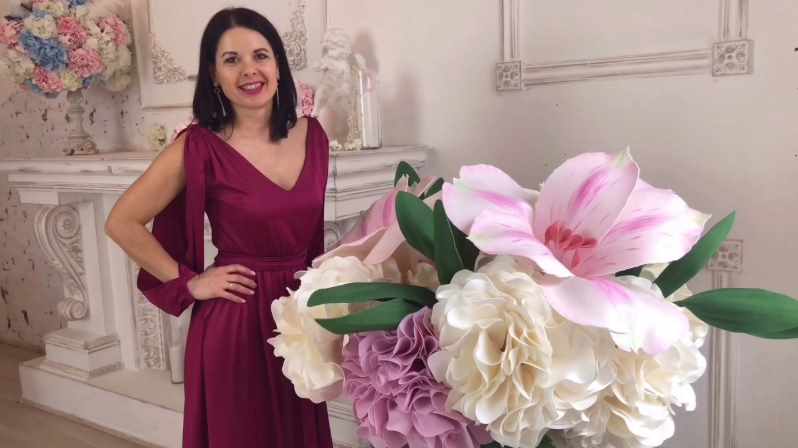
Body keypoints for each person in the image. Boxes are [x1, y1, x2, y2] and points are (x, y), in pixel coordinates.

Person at [104, 7, 333, 448]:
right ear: (213, 75)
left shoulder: (314, 136)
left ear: (278, 65)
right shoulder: (198, 146)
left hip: (298, 321)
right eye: (231, 60)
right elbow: (121, 222)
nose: (249, 70)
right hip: (236, 321)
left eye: (260, 55)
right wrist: (190, 282)